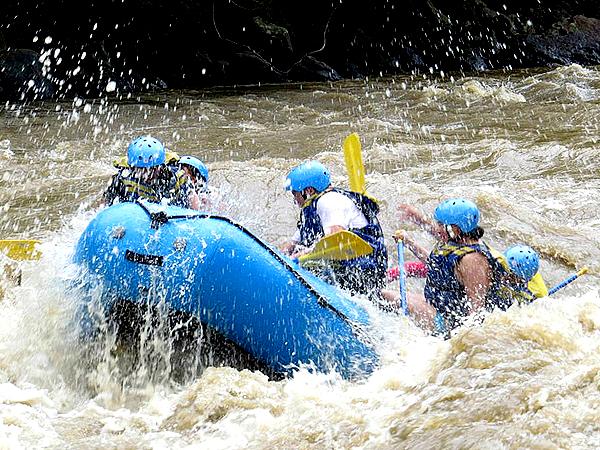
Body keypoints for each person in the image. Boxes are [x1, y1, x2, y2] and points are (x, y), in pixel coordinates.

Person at [280, 160, 388, 299]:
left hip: (364, 269)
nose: (295, 199)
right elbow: (292, 244)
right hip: (343, 269)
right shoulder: (311, 209)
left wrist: (301, 256)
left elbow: (337, 239)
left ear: (309, 190)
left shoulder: (330, 201)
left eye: (296, 194)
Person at [102, 136, 200, 210]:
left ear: (160, 166)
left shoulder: (177, 176)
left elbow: (195, 206)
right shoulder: (120, 180)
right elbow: (103, 209)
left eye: (151, 169)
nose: (146, 174)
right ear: (132, 167)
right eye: (140, 169)